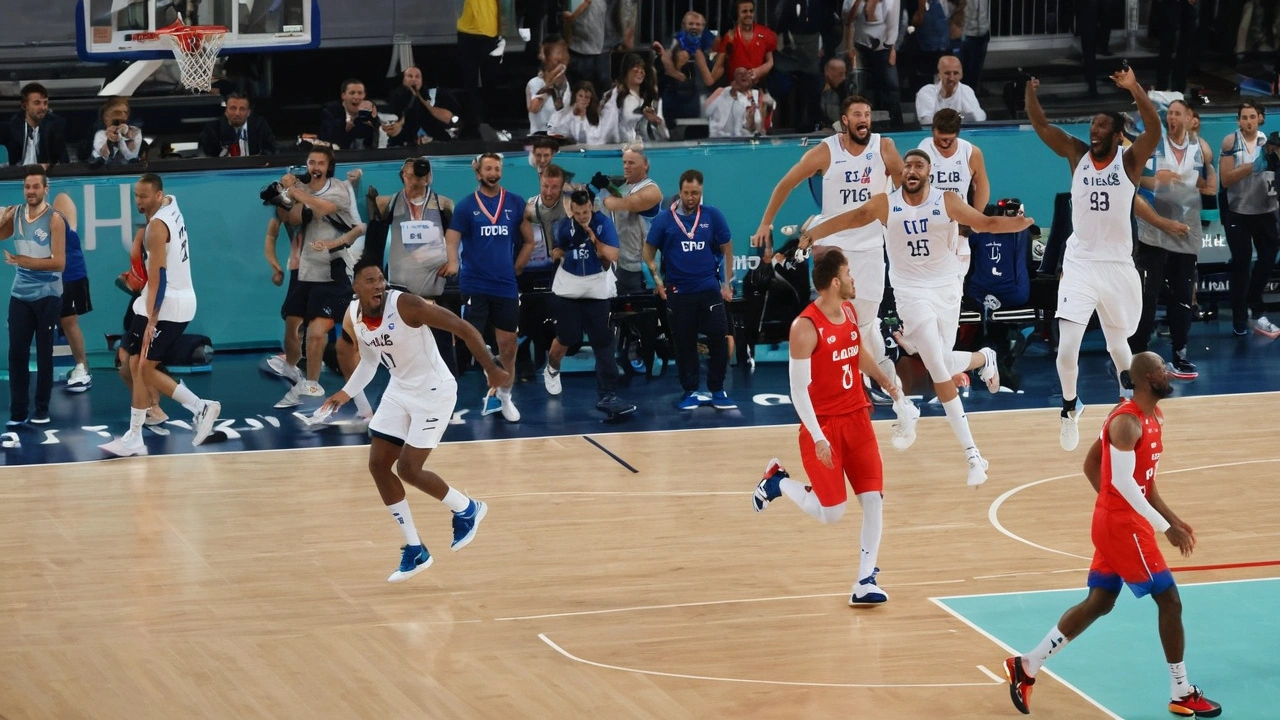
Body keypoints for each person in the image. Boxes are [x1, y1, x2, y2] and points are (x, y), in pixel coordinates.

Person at [1003, 351, 1222, 720]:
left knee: (1101, 601)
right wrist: (1159, 526)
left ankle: (1027, 665)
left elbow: (1137, 481)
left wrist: (1173, 518)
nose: (1167, 374)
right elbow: (1121, 482)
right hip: (1124, 526)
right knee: (1169, 601)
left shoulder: (1155, 417)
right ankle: (1181, 691)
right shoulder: (1126, 423)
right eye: (1160, 371)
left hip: (1121, 521)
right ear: (1145, 379)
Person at [802, 149, 1032, 485]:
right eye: (907, 165)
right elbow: (853, 217)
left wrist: (1019, 224)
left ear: (929, 173)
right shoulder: (886, 203)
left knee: (937, 357)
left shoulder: (947, 201)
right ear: (902, 173)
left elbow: (984, 223)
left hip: (946, 290)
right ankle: (972, 454)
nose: (911, 169)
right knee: (938, 367)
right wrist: (817, 233)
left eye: (919, 165)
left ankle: (984, 358)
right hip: (910, 292)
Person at [319, 259, 505, 582]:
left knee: (408, 468)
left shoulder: (407, 306)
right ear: (356, 287)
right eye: (370, 280)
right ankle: (415, 548)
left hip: (434, 391)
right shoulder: (354, 316)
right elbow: (370, 360)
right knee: (378, 464)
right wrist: (345, 394)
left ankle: (467, 508)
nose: (378, 285)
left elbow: (463, 328)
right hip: (400, 388)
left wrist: (490, 367)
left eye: (381, 279)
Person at [751, 248, 905, 603]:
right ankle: (776, 482)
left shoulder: (849, 310)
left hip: (857, 418)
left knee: (874, 501)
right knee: (831, 512)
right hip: (822, 427)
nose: (854, 279)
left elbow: (858, 351)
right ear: (835, 282)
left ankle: (865, 580)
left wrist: (887, 382)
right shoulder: (804, 328)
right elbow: (797, 390)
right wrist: (819, 437)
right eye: (849, 274)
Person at [1025, 67, 1162, 452]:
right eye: (1092, 125)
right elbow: (1041, 125)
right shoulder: (1076, 154)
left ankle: (1130, 398)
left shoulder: (1129, 161)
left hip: (1117, 267)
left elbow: (1153, 130)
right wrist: (1029, 92)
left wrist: (1135, 87)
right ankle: (1070, 407)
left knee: (1119, 344)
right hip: (1081, 264)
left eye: (1103, 126)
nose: (1094, 130)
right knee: (1067, 348)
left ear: (1118, 134)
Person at [752, 95, 904, 403]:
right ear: (845, 121)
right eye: (857, 114)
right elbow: (786, 183)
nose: (864, 119)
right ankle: (849, 380)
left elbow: (906, 188)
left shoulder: (884, 147)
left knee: (864, 321)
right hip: (834, 244)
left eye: (868, 114)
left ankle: (873, 378)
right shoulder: (827, 151)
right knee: (837, 317)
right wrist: (765, 223)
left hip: (872, 244)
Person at [100, 174, 221, 456]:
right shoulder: (170, 205)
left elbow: (159, 279)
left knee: (144, 367)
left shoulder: (156, 227)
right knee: (131, 363)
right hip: (152, 301)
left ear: (158, 195)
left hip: (170, 305)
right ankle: (137, 433)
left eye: (144, 197)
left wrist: (152, 320)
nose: (138, 202)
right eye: (136, 196)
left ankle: (200, 407)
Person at [273, 147, 367, 411]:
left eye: (320, 163)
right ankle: (311, 385)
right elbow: (291, 219)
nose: (315, 166)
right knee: (306, 334)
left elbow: (323, 208)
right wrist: (284, 195)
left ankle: (357, 402)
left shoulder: (338, 189)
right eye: (311, 162)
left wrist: (298, 191)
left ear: (329, 166)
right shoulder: (301, 187)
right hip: (308, 270)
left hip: (335, 268)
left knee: (331, 340)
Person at [444, 153, 534, 422]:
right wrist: (453, 263)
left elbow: (529, 241)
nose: (493, 172)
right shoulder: (465, 206)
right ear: (478, 173)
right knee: (471, 337)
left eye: (497, 168)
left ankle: (504, 395)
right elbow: (451, 238)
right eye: (488, 168)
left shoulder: (516, 203)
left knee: (509, 346)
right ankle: (489, 365)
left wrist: (516, 267)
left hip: (505, 284)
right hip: (475, 282)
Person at [1130, 99, 1216, 379]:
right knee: (1147, 296)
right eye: (1170, 114)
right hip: (1153, 233)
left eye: (1178, 113)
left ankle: (1180, 354)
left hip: (1184, 232)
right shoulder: (1154, 144)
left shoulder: (1200, 150)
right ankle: (1138, 357)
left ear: (1191, 118)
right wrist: (1157, 180)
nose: (1172, 118)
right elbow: (1135, 178)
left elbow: (1207, 188)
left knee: (1182, 296)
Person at [644, 170, 736, 410]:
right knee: (684, 343)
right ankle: (690, 391)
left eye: (695, 193)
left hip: (708, 288)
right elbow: (648, 253)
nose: (691, 197)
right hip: (679, 291)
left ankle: (718, 389)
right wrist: (657, 279)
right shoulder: (664, 219)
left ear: (701, 191)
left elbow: (727, 248)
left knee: (719, 337)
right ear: (680, 191)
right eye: (686, 193)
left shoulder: (712, 215)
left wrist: (727, 283)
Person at [544, 189, 636, 417]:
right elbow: (556, 251)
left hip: (596, 288)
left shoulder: (603, 224)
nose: (583, 216)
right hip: (568, 289)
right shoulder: (563, 227)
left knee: (603, 342)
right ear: (571, 210)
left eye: (586, 211)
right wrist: (558, 252)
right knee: (568, 337)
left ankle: (608, 394)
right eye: (578, 213)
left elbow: (613, 255)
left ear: (592, 207)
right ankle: (552, 368)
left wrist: (594, 238)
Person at [1, 166, 65, 426]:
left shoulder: (54, 219)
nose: (31, 191)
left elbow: (59, 263)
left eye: (36, 186)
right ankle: (17, 413)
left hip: (48, 295)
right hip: (21, 295)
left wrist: (23, 261)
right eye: (27, 187)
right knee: (16, 353)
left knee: (44, 354)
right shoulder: (15, 214)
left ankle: (42, 409)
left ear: (45, 189)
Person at [1218, 102, 1280, 338]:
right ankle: (1240, 319)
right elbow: (1225, 179)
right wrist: (1253, 166)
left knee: (1269, 254)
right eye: (1243, 117)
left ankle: (1255, 300)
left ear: (1260, 119)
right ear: (1238, 121)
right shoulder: (1230, 142)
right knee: (1241, 266)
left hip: (1265, 210)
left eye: (1252, 117)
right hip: (1238, 212)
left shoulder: (1270, 142)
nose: (1248, 121)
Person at [600, 144, 663, 295]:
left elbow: (629, 203)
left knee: (643, 315)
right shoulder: (622, 188)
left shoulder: (652, 189)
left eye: (631, 163)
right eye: (624, 162)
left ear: (645, 165)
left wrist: (608, 199)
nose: (626, 167)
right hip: (618, 265)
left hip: (641, 269)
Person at [52, 192, 92, 391]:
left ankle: (82, 367)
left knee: (69, 321)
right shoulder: (24, 215)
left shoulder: (61, 201)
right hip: (44, 276)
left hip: (71, 274)